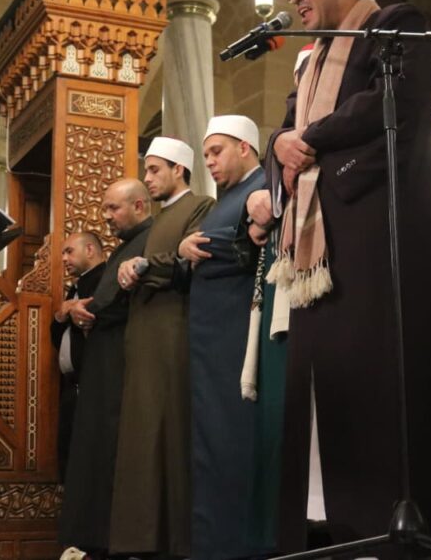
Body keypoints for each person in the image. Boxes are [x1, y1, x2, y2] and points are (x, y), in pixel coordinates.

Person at [255, 0, 431, 550]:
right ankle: (329, 525)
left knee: (380, 377)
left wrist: (309, 140)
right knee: (327, 382)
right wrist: (279, 142)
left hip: (378, 228)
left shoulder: (395, 24)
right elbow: (288, 127)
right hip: (325, 240)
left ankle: (382, 522)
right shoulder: (311, 59)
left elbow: (393, 102)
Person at [109, 137, 214, 557]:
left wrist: (144, 266)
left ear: (179, 170)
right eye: (147, 170)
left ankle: (175, 541)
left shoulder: (200, 206)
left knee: (168, 434)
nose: (148, 178)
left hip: (173, 334)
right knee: (142, 438)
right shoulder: (158, 220)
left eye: (155, 170)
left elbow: (190, 264)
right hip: (144, 336)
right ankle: (142, 540)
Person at [181, 115, 267, 560]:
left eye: (217, 151)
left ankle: (239, 546)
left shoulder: (262, 187)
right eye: (206, 154)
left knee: (234, 439)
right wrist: (184, 250)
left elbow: (245, 245)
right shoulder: (224, 201)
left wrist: (194, 248)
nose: (210, 162)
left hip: (236, 333)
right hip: (210, 340)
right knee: (211, 444)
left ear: (245, 148)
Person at [59, 179, 153, 555]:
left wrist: (89, 312)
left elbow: (120, 301)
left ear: (139, 206)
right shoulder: (124, 248)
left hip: (120, 361)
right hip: (101, 362)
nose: (107, 216)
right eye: (105, 209)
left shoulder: (149, 239)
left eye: (113, 208)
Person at [50, 231, 106, 483]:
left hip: (94, 386)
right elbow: (57, 337)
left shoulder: (103, 280)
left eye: (69, 251)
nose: (63, 258)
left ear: (90, 250)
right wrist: (62, 314)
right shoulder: (76, 286)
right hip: (71, 386)